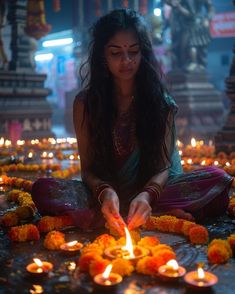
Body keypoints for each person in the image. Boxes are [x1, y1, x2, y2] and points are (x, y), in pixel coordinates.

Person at [32, 9, 233, 236]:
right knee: (43, 189)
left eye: (133, 52)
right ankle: (146, 213)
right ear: (102, 57)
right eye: (116, 53)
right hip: (104, 195)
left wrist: (147, 195)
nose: (126, 61)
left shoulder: (159, 102)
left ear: (143, 53)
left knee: (217, 180)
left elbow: (164, 167)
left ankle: (143, 211)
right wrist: (105, 192)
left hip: (155, 191)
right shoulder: (86, 104)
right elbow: (87, 170)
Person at [164, 0, 214, 71]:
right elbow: (173, 7)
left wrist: (207, 18)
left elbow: (210, 8)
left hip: (196, 24)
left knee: (194, 47)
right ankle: (187, 64)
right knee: (182, 49)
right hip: (182, 25)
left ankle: (195, 64)